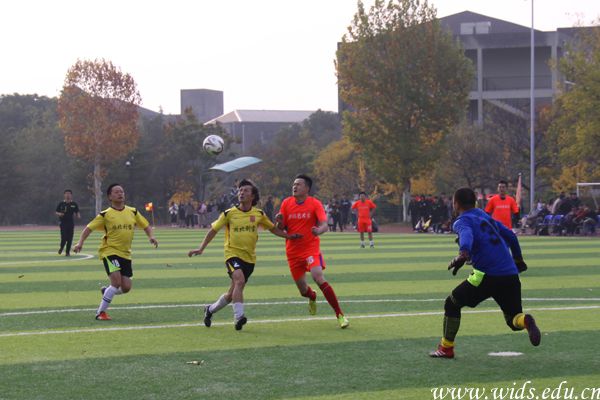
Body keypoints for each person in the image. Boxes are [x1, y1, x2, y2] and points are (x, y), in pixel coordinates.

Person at [429, 187, 541, 359]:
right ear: (475, 202)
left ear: (456, 203)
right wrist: (518, 260)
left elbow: (466, 234)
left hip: (485, 276)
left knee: (452, 303)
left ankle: (446, 348)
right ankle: (526, 320)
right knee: (514, 319)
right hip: (510, 275)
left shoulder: (461, 221)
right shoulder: (485, 216)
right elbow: (511, 236)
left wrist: (463, 253)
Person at [188, 179, 300, 330]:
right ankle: (239, 317)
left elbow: (274, 229)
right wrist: (201, 248)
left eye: (246, 190)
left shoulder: (259, 214)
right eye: (240, 190)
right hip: (232, 254)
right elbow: (213, 231)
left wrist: (289, 236)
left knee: (231, 294)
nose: (241, 193)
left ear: (252, 196)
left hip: (250, 259)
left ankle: (210, 309)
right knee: (239, 281)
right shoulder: (229, 214)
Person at [73, 183, 158, 321]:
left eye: (122, 191)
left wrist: (151, 237)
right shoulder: (105, 214)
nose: (120, 194)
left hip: (125, 254)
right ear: (110, 196)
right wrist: (80, 242)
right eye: (117, 192)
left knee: (126, 287)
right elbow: (88, 228)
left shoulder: (133, 212)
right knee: (116, 282)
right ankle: (100, 312)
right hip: (109, 251)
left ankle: (106, 291)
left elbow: (146, 226)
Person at [276, 174, 349, 328]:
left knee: (318, 276)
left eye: (298, 184)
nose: (294, 187)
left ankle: (340, 314)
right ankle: (312, 296)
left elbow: (324, 225)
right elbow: (281, 228)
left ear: (307, 188)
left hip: (310, 249)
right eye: (294, 184)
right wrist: (279, 222)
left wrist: (318, 231)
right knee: (303, 290)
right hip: (292, 252)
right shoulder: (286, 203)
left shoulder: (315, 203)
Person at [55, 189, 80, 256]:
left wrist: (78, 215)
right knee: (64, 237)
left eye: (69, 193)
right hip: (63, 223)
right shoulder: (61, 204)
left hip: (71, 223)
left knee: (69, 238)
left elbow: (77, 211)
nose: (67, 195)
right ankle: (61, 247)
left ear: (71, 195)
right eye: (66, 193)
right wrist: (59, 214)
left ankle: (67, 252)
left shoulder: (74, 204)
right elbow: (56, 212)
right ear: (64, 195)